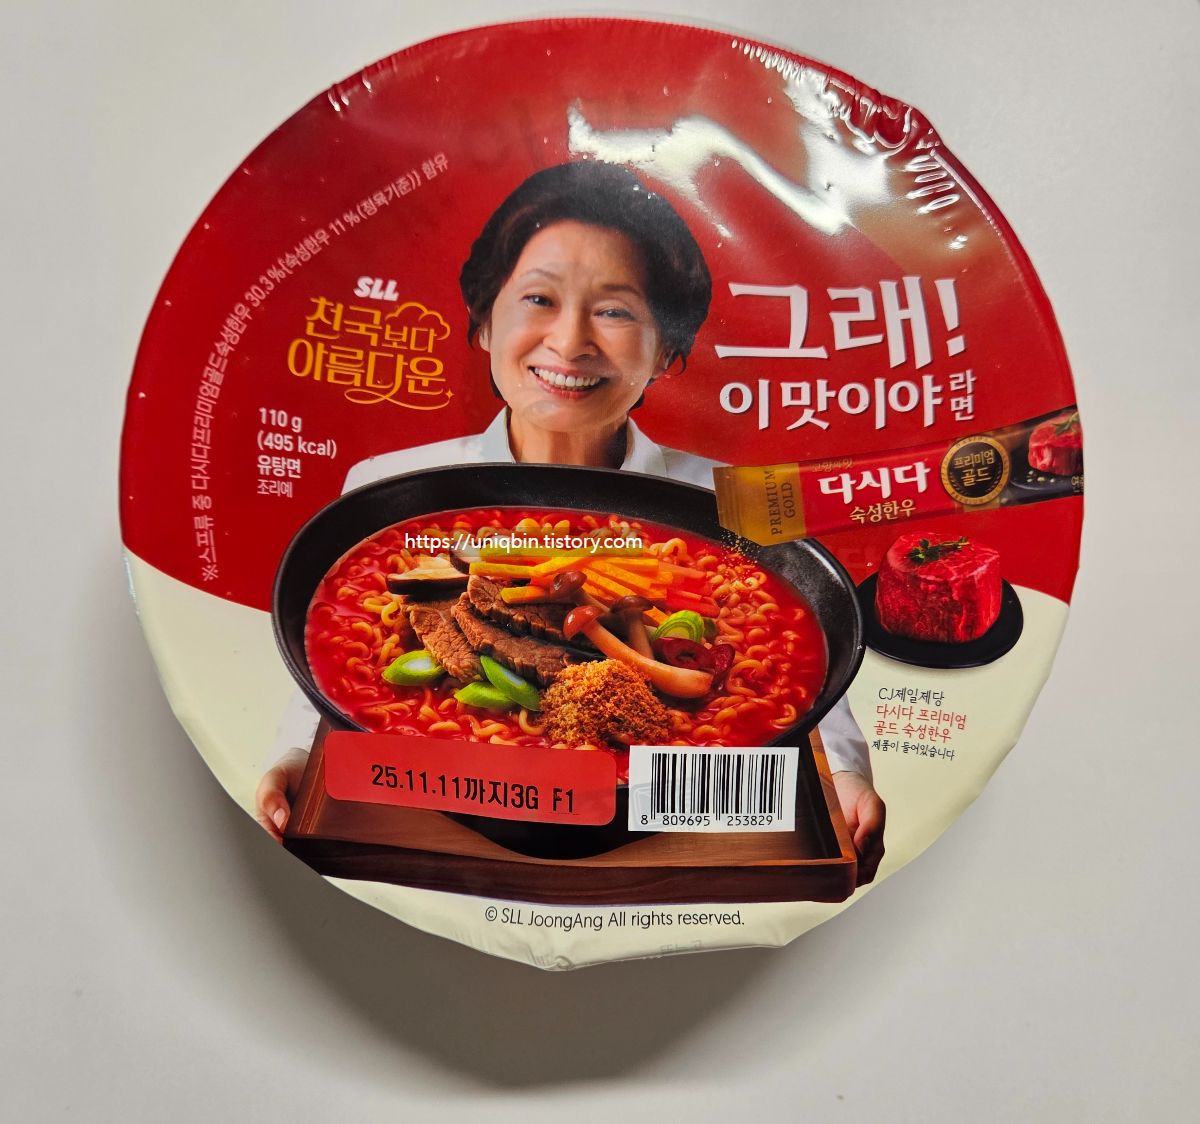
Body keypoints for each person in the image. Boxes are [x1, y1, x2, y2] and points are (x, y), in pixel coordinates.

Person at [256, 161, 885, 883]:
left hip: (663, 834)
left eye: (614, 311)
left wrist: (845, 783)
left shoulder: (737, 505)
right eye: (539, 298)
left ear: (667, 349)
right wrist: (296, 760)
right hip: (443, 816)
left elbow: (814, 685)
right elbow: (324, 674)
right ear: (484, 321)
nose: (570, 341)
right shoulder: (385, 488)